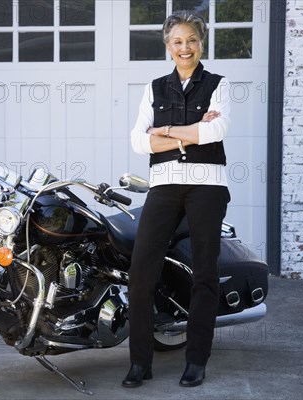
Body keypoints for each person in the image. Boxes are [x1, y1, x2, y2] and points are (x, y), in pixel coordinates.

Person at [122, 10, 231, 388]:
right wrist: (191, 132)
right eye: (178, 41)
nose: (185, 48)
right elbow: (138, 140)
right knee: (140, 273)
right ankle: (140, 363)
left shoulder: (218, 83)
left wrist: (164, 130)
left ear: (202, 44)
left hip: (208, 186)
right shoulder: (154, 88)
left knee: (205, 273)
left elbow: (216, 131)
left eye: (192, 40)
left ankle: (196, 360)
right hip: (164, 185)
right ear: (168, 47)